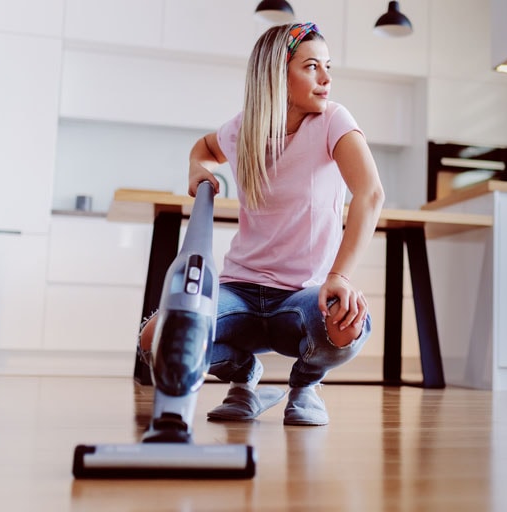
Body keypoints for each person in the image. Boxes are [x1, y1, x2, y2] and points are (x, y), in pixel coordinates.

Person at [139, 22, 385, 426]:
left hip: (303, 298)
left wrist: (339, 275)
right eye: (311, 67)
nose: (326, 79)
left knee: (347, 322)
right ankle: (244, 377)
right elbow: (203, 147)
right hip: (240, 292)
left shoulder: (332, 122)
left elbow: (370, 193)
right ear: (277, 74)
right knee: (156, 339)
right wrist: (197, 168)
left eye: (328, 67)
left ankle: (305, 385)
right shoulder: (242, 130)